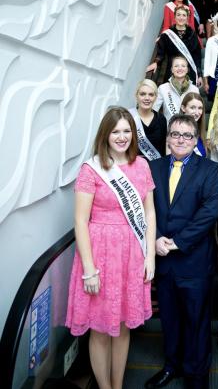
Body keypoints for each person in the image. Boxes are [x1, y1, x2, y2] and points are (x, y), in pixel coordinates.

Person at [66, 107, 156, 389]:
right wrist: (89, 270)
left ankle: (118, 385)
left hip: (132, 254)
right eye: (116, 131)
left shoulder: (142, 165)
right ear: (105, 134)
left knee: (123, 327)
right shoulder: (91, 169)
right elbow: (81, 221)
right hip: (100, 256)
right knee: (100, 330)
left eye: (127, 130)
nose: (122, 136)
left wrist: (150, 255)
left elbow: (149, 213)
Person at [145, 114, 218, 389]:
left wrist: (176, 242)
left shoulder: (210, 170)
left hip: (194, 262)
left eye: (187, 135)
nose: (181, 139)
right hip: (163, 262)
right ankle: (172, 366)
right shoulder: (152, 168)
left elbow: (209, 212)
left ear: (195, 140)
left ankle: (196, 376)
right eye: (175, 134)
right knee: (169, 318)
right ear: (167, 138)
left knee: (196, 321)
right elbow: (144, 211)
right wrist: (154, 239)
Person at [147, 5, 202, 85]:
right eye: (178, 15)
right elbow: (161, 53)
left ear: (187, 18)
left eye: (184, 15)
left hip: (189, 71)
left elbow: (197, 56)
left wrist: (199, 75)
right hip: (172, 71)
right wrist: (156, 62)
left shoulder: (192, 34)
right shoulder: (167, 34)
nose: (181, 17)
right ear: (175, 17)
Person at [153, 55, 199, 123]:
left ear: (187, 70)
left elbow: (197, 113)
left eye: (183, 66)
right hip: (170, 130)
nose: (180, 68)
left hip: (189, 130)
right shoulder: (163, 88)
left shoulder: (194, 89)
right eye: (176, 66)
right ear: (172, 69)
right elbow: (154, 111)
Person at [129, 79, 167, 160]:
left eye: (151, 95)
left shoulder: (161, 119)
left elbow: (163, 148)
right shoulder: (128, 117)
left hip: (154, 167)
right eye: (142, 94)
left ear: (156, 97)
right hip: (131, 166)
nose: (147, 98)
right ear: (136, 95)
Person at [180, 92, 207, 157]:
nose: (197, 113)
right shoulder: (176, 133)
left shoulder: (199, 132)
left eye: (200, 108)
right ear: (183, 108)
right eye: (192, 108)